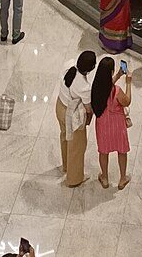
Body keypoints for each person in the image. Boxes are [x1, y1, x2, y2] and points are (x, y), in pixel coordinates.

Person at [91, 56, 132, 190]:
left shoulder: (96, 88)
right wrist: (129, 83)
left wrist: (118, 75)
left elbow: (107, 86)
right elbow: (126, 101)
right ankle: (122, 178)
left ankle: (105, 178)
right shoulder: (117, 91)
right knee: (121, 151)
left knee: (103, 151)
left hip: (103, 124)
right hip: (117, 125)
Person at [56, 50, 96, 187]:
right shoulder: (84, 87)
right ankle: (74, 179)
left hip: (60, 106)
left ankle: (66, 166)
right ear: (90, 69)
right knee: (77, 147)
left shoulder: (69, 65)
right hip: (72, 117)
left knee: (64, 137)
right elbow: (88, 107)